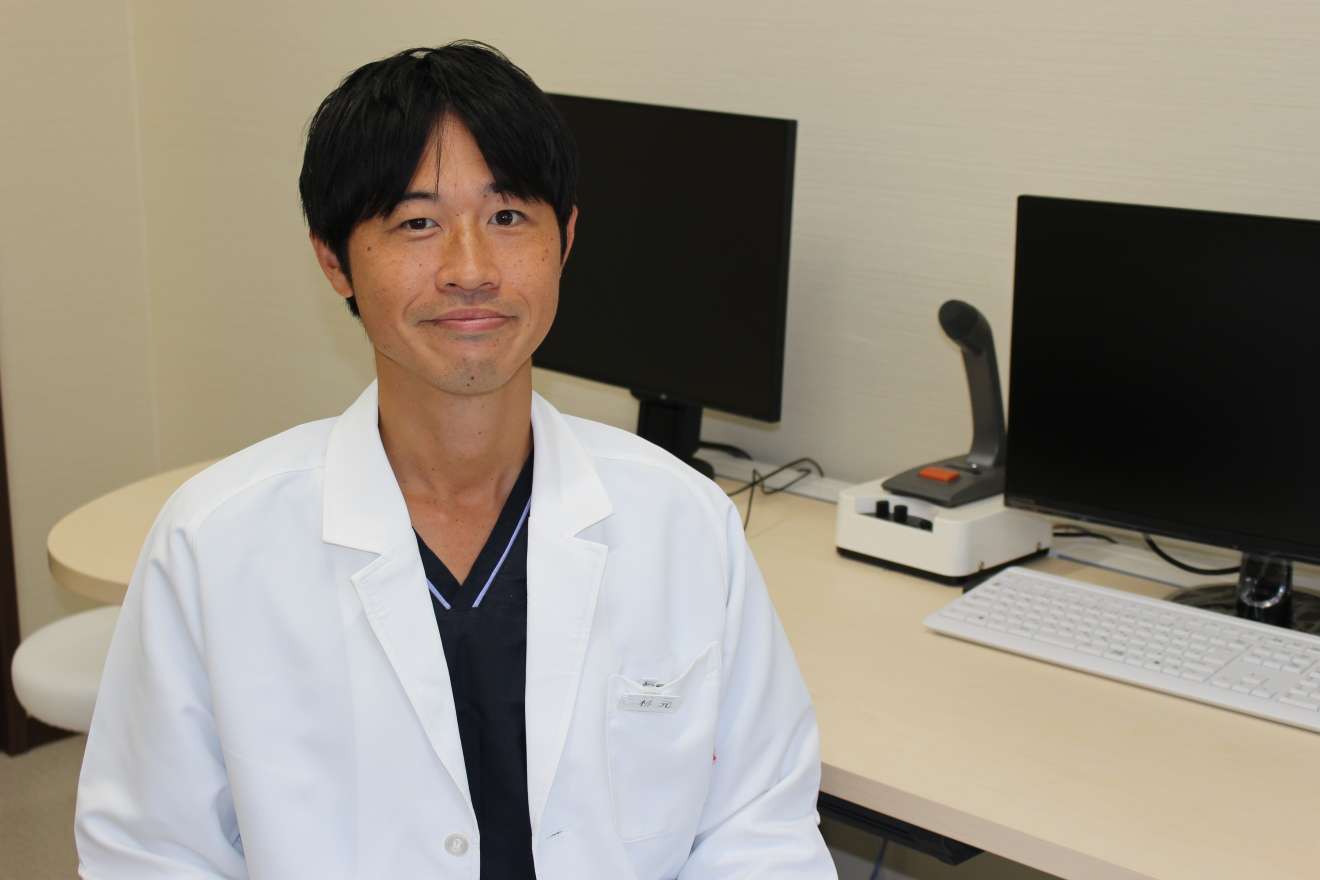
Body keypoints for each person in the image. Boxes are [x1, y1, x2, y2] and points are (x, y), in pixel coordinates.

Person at [75, 41, 836, 879]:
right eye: (417, 223)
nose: (470, 270)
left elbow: (759, 832)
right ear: (333, 260)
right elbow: (150, 853)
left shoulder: (684, 523)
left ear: (565, 239)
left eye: (507, 218)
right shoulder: (214, 543)